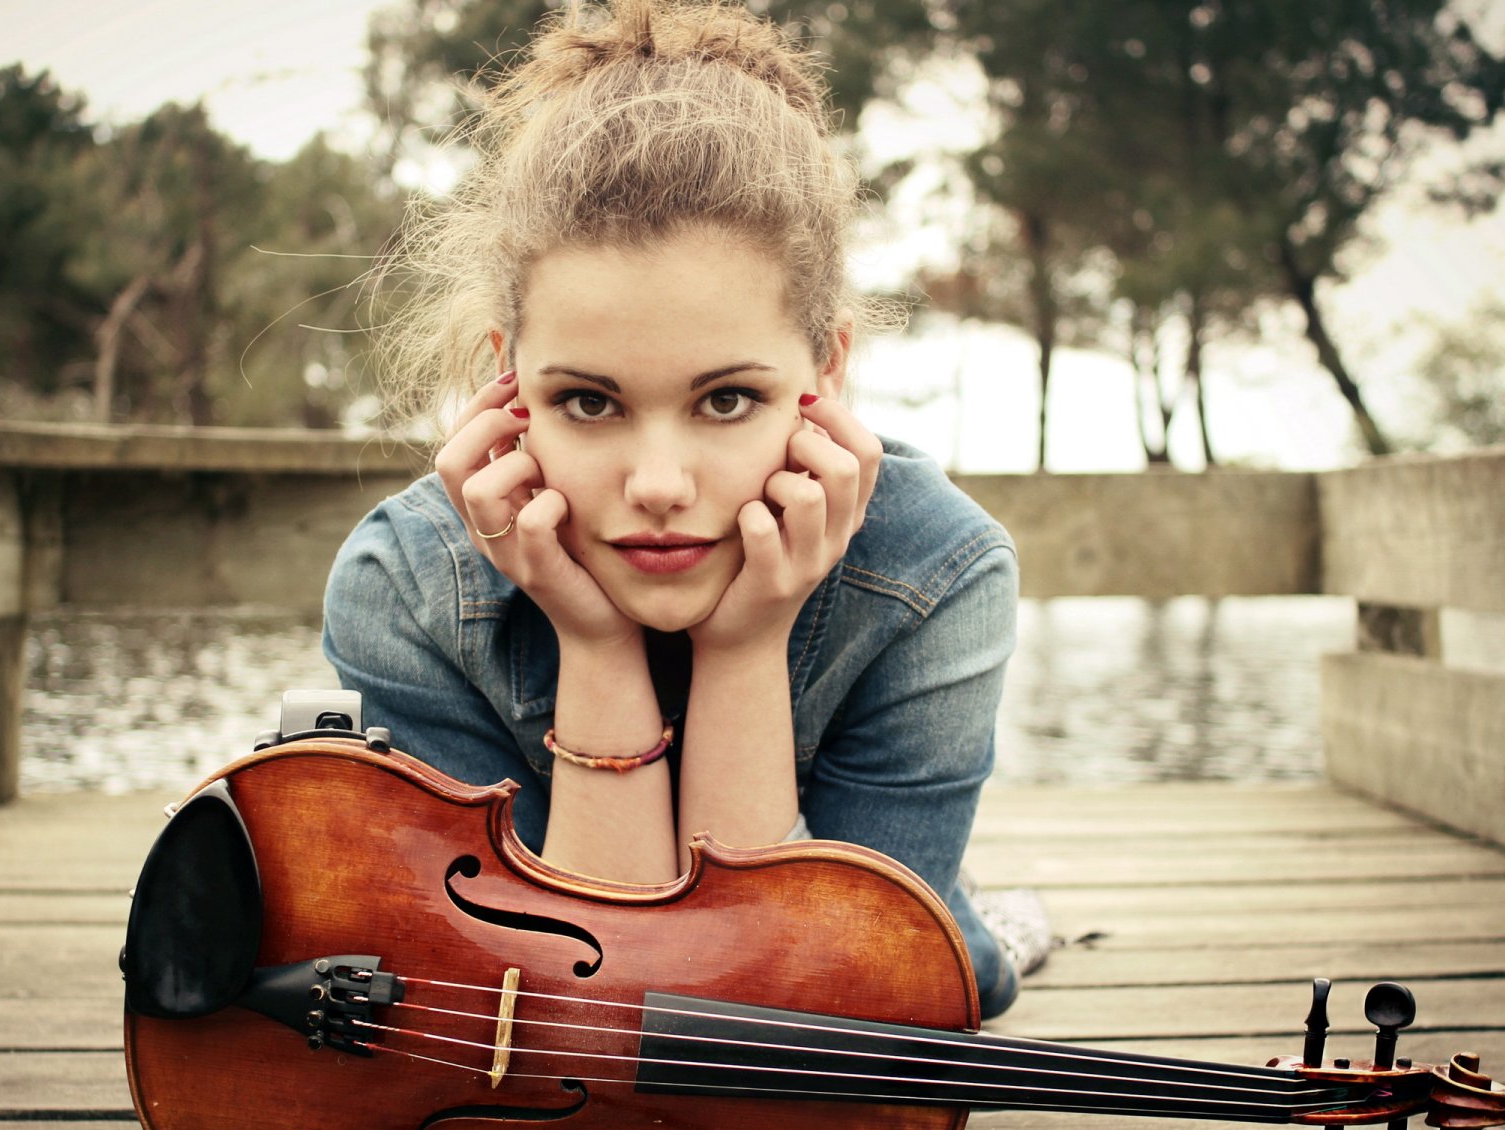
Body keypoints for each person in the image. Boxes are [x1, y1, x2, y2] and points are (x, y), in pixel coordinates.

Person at [323, 0, 1038, 1017]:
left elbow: (795, 1014)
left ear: (825, 371)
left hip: (855, 924)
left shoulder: (935, 573)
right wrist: (596, 643)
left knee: (948, 972)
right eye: (588, 401)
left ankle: (991, 929)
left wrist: (748, 646)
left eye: (726, 400)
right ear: (509, 381)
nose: (658, 485)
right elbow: (558, 1006)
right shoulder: (406, 588)